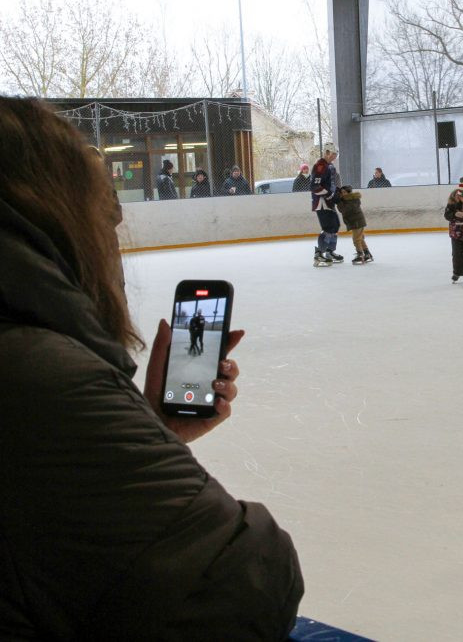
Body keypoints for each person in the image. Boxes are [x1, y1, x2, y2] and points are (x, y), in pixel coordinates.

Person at [0, 96, 302, 637]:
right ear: (60, 219)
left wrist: (150, 429)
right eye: (106, 212)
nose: (115, 234)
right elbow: (239, 585)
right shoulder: (36, 375)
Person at [310, 149, 343, 266]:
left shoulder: (330, 166)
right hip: (322, 202)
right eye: (333, 154)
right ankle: (319, 254)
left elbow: (332, 184)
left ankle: (329, 251)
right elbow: (314, 186)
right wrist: (329, 195)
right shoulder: (320, 165)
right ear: (327, 153)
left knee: (335, 225)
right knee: (328, 227)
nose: (335, 156)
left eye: (336, 154)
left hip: (329, 202)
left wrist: (338, 193)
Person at [336, 184, 373, 264]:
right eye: (341, 192)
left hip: (356, 221)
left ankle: (360, 255)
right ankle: (367, 254)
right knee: (360, 238)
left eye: (344, 192)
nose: (342, 194)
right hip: (356, 221)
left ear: (349, 192)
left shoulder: (352, 200)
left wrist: (339, 202)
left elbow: (344, 210)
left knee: (356, 239)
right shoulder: (347, 200)